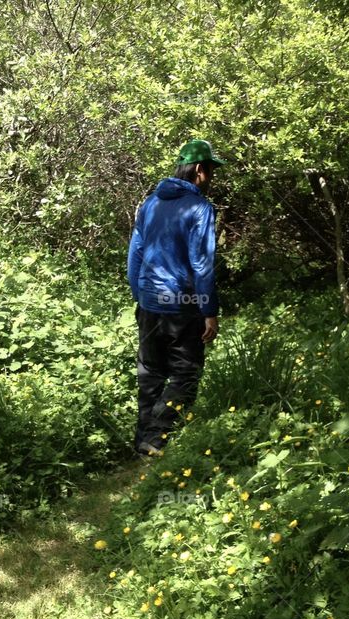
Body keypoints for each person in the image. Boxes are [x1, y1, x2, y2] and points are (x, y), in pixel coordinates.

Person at [127, 139, 225, 456]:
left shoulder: (150, 204)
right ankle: (155, 439)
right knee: (187, 373)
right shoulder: (200, 208)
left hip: (150, 302)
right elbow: (201, 263)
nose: (211, 179)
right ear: (199, 170)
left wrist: (141, 296)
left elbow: (135, 255)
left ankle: (143, 444)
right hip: (183, 305)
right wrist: (209, 310)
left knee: (151, 373)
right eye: (211, 171)